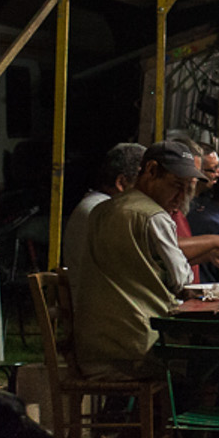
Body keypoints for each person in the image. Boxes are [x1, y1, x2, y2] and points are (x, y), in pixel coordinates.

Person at [74, 143, 207, 380]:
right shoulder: (154, 217)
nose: (180, 198)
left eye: (186, 190)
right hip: (139, 349)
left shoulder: (101, 210)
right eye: (176, 186)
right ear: (151, 171)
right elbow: (182, 281)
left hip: (93, 346)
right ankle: (181, 416)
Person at [61, 141, 149, 279]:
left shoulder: (97, 204)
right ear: (121, 183)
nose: (149, 192)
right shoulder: (104, 211)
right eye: (144, 183)